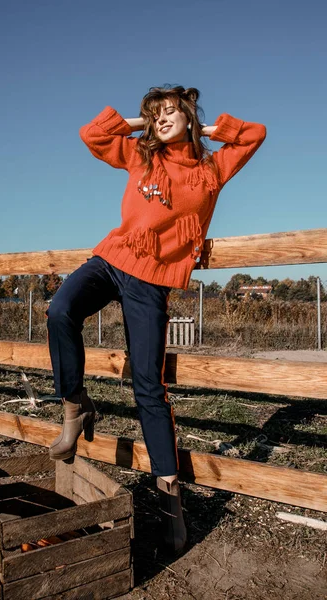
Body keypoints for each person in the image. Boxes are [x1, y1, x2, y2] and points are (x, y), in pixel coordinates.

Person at [46, 85, 266, 554]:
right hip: (110, 260)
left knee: (148, 383)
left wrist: (207, 128)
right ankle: (74, 405)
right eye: (155, 114)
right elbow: (92, 133)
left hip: (150, 282)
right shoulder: (141, 156)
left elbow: (253, 135)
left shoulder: (211, 169)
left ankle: (170, 500)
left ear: (187, 115)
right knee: (59, 310)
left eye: (170, 112)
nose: (161, 119)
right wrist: (140, 123)